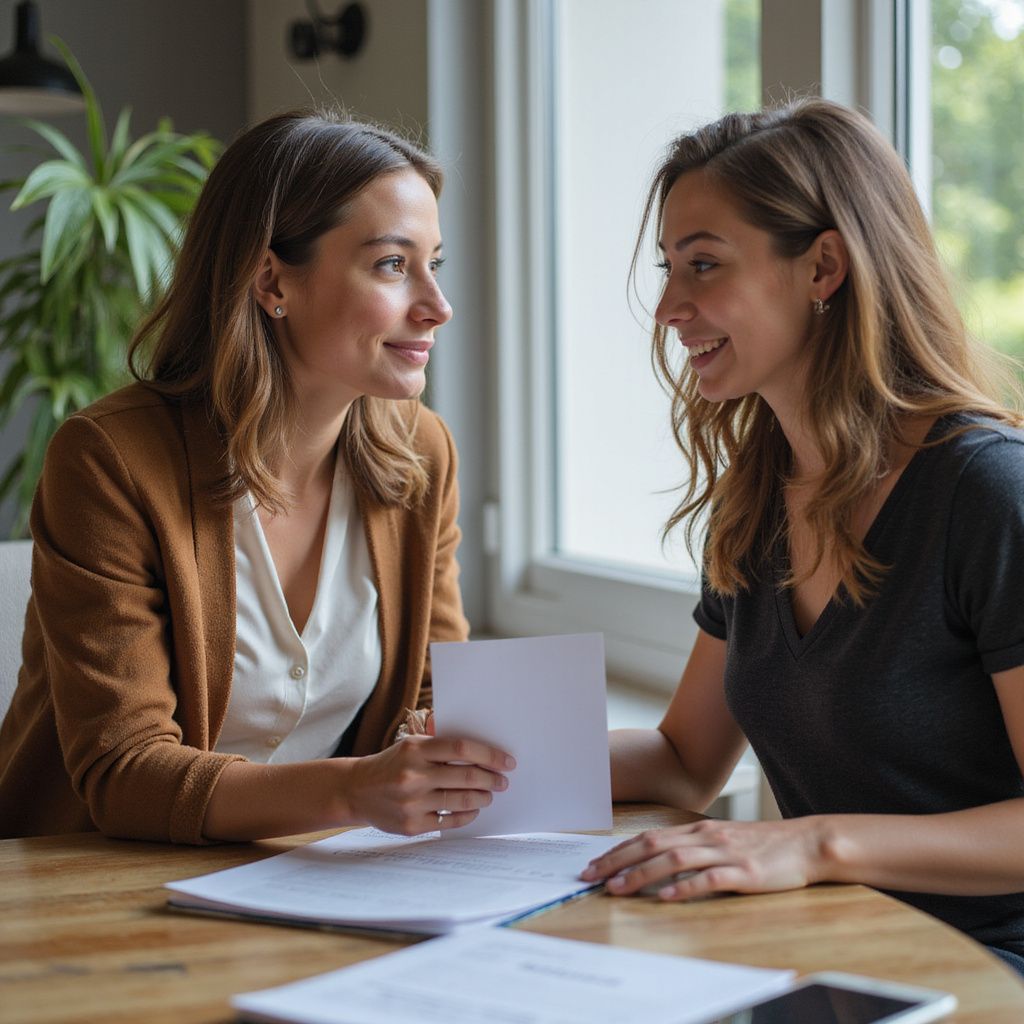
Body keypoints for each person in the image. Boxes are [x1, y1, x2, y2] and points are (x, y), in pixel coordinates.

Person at [581, 98, 1024, 974]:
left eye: (703, 265)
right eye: (669, 268)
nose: (670, 306)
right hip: (827, 955)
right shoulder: (755, 501)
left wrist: (814, 846)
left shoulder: (988, 491)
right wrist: (488, 767)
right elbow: (683, 762)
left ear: (823, 266)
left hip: (988, 968)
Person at [0, 109, 514, 843]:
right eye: (393, 265)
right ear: (272, 279)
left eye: (436, 264)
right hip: (94, 886)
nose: (437, 306)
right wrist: (355, 789)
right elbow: (123, 771)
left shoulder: (422, 453)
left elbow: (437, 694)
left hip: (307, 880)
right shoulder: (109, 461)